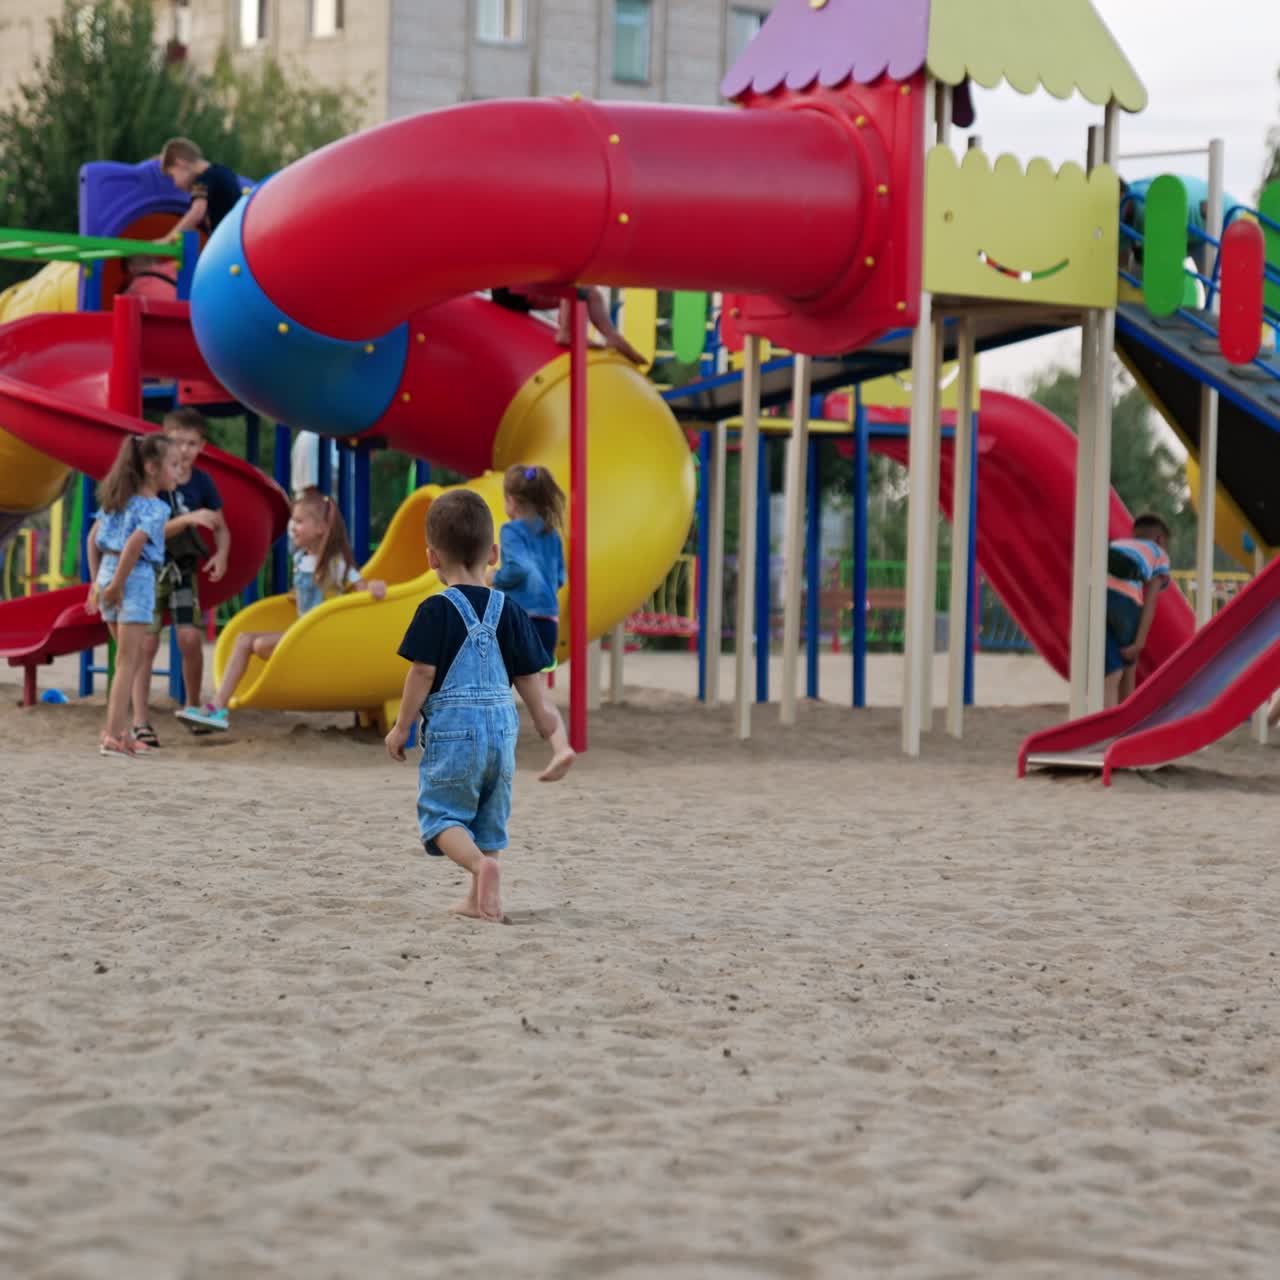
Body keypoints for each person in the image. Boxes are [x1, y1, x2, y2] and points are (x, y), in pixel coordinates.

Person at [384, 490, 575, 923]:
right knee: (489, 820)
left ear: (432, 558)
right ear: (493, 553)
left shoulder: (434, 610)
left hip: (455, 735)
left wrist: (402, 727)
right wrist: (549, 729)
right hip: (502, 734)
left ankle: (478, 868)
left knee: (441, 816)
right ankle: (483, 898)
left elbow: (422, 674)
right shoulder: (511, 611)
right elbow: (530, 681)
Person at [177, 488, 386, 732]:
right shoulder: (300, 560)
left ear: (320, 528)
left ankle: (218, 708)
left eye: (299, 521)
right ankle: (218, 707)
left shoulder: (335, 563)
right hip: (301, 634)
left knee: (256, 644)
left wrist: (375, 587)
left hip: (318, 639)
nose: (292, 527)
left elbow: (360, 588)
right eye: (292, 521)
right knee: (245, 639)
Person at [130, 407, 230, 748]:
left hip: (183, 567)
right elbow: (148, 530)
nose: (184, 451)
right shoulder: (152, 481)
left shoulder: (201, 482)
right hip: (150, 568)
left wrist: (221, 553)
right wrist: (191, 519)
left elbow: (220, 524)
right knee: (145, 643)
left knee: (189, 637)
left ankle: (191, 705)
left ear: (201, 446)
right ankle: (140, 719)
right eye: (177, 443)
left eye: (191, 444)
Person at [85, 434, 180, 758]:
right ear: (152, 468)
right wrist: (117, 585)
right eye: (173, 465)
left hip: (109, 572)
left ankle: (121, 731)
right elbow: (135, 544)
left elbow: (93, 538)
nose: (177, 471)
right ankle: (112, 735)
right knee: (128, 662)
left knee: (126, 659)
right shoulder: (156, 508)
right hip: (133, 579)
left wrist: (98, 582)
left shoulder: (116, 500)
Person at [491, 463, 566, 672]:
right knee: (538, 693)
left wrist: (496, 577)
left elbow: (518, 567)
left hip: (521, 620)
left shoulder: (511, 530)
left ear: (512, 502)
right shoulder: (552, 534)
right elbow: (559, 578)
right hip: (549, 621)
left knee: (501, 682)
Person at [1105, 513, 1173, 708]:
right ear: (1160, 539)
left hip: (1096, 597)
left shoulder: (1118, 544)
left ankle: (1104, 720)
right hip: (1124, 601)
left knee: (1111, 671)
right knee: (1128, 666)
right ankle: (1124, 725)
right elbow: (1150, 601)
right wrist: (1139, 643)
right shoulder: (1159, 553)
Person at [490, 285, 646, 365]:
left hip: (515, 293)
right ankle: (566, 332)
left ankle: (612, 336)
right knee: (576, 285)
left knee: (592, 293)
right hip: (512, 290)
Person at [158, 137, 245, 241]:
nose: (175, 184)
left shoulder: (202, 181)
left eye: (172, 176)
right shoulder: (224, 171)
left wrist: (168, 239)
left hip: (227, 240)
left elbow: (196, 212)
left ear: (180, 164)